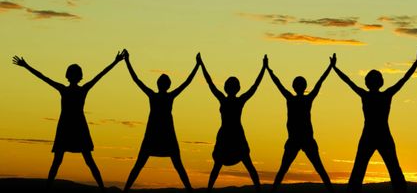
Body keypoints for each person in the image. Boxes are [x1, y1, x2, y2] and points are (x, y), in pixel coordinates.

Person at [12, 51, 125, 192]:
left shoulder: (67, 89)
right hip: (73, 127)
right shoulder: (78, 89)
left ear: (69, 76)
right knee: (78, 161)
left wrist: (26, 65)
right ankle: (101, 188)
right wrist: (115, 62)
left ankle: (100, 188)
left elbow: (43, 77)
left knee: (68, 161)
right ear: (78, 76)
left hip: (71, 127)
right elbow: (100, 75)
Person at [332, 49, 417, 193]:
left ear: (367, 83)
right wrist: (416, 62)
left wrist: (335, 68)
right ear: (380, 82)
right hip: (381, 135)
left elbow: (348, 81)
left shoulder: (367, 95)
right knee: (392, 169)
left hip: (371, 135)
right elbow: (404, 79)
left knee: (361, 169)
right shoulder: (385, 94)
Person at [122, 50, 199, 193]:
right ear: (167, 85)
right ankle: (189, 190)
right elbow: (187, 82)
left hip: (160, 134)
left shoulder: (155, 95)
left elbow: (136, 79)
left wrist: (127, 61)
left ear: (159, 84)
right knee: (177, 166)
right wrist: (197, 65)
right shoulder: (167, 96)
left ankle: (125, 190)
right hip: (161, 134)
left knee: (141, 165)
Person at [267, 54, 336, 193]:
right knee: (319, 169)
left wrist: (268, 69)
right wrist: (330, 66)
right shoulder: (305, 98)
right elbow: (320, 82)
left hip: (301, 139)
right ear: (304, 87)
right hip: (300, 139)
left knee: (283, 170)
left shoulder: (292, 98)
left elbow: (277, 83)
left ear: (294, 86)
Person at [200, 54, 267, 193]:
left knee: (219, 166)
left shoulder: (225, 100)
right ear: (237, 88)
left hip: (230, 135)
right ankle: (259, 190)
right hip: (232, 135)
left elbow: (210, 83)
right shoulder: (237, 100)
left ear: (226, 88)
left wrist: (201, 65)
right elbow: (255, 86)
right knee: (246, 166)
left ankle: (208, 190)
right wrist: (264, 68)